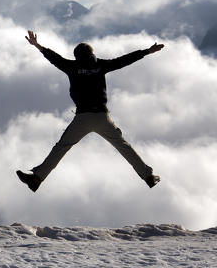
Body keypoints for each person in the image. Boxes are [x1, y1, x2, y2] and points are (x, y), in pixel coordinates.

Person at [17, 31, 163, 192]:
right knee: (124, 147)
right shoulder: (100, 65)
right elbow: (123, 60)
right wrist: (147, 51)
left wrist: (37, 45)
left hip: (82, 118)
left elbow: (54, 58)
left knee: (62, 147)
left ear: (76, 56)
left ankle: (36, 179)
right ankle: (148, 177)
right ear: (92, 53)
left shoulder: (71, 67)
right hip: (102, 117)